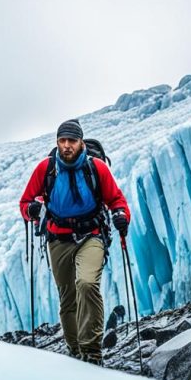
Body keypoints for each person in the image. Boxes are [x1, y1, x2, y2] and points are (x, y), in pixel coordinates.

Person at [19, 119, 130, 365]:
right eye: (62, 141)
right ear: (57, 142)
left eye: (72, 141)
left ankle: (92, 351)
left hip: (91, 234)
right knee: (67, 297)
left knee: (87, 283)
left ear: (81, 142)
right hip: (58, 237)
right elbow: (25, 203)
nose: (67, 146)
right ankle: (75, 351)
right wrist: (32, 210)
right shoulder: (45, 169)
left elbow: (117, 200)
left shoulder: (96, 168)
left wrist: (121, 215)